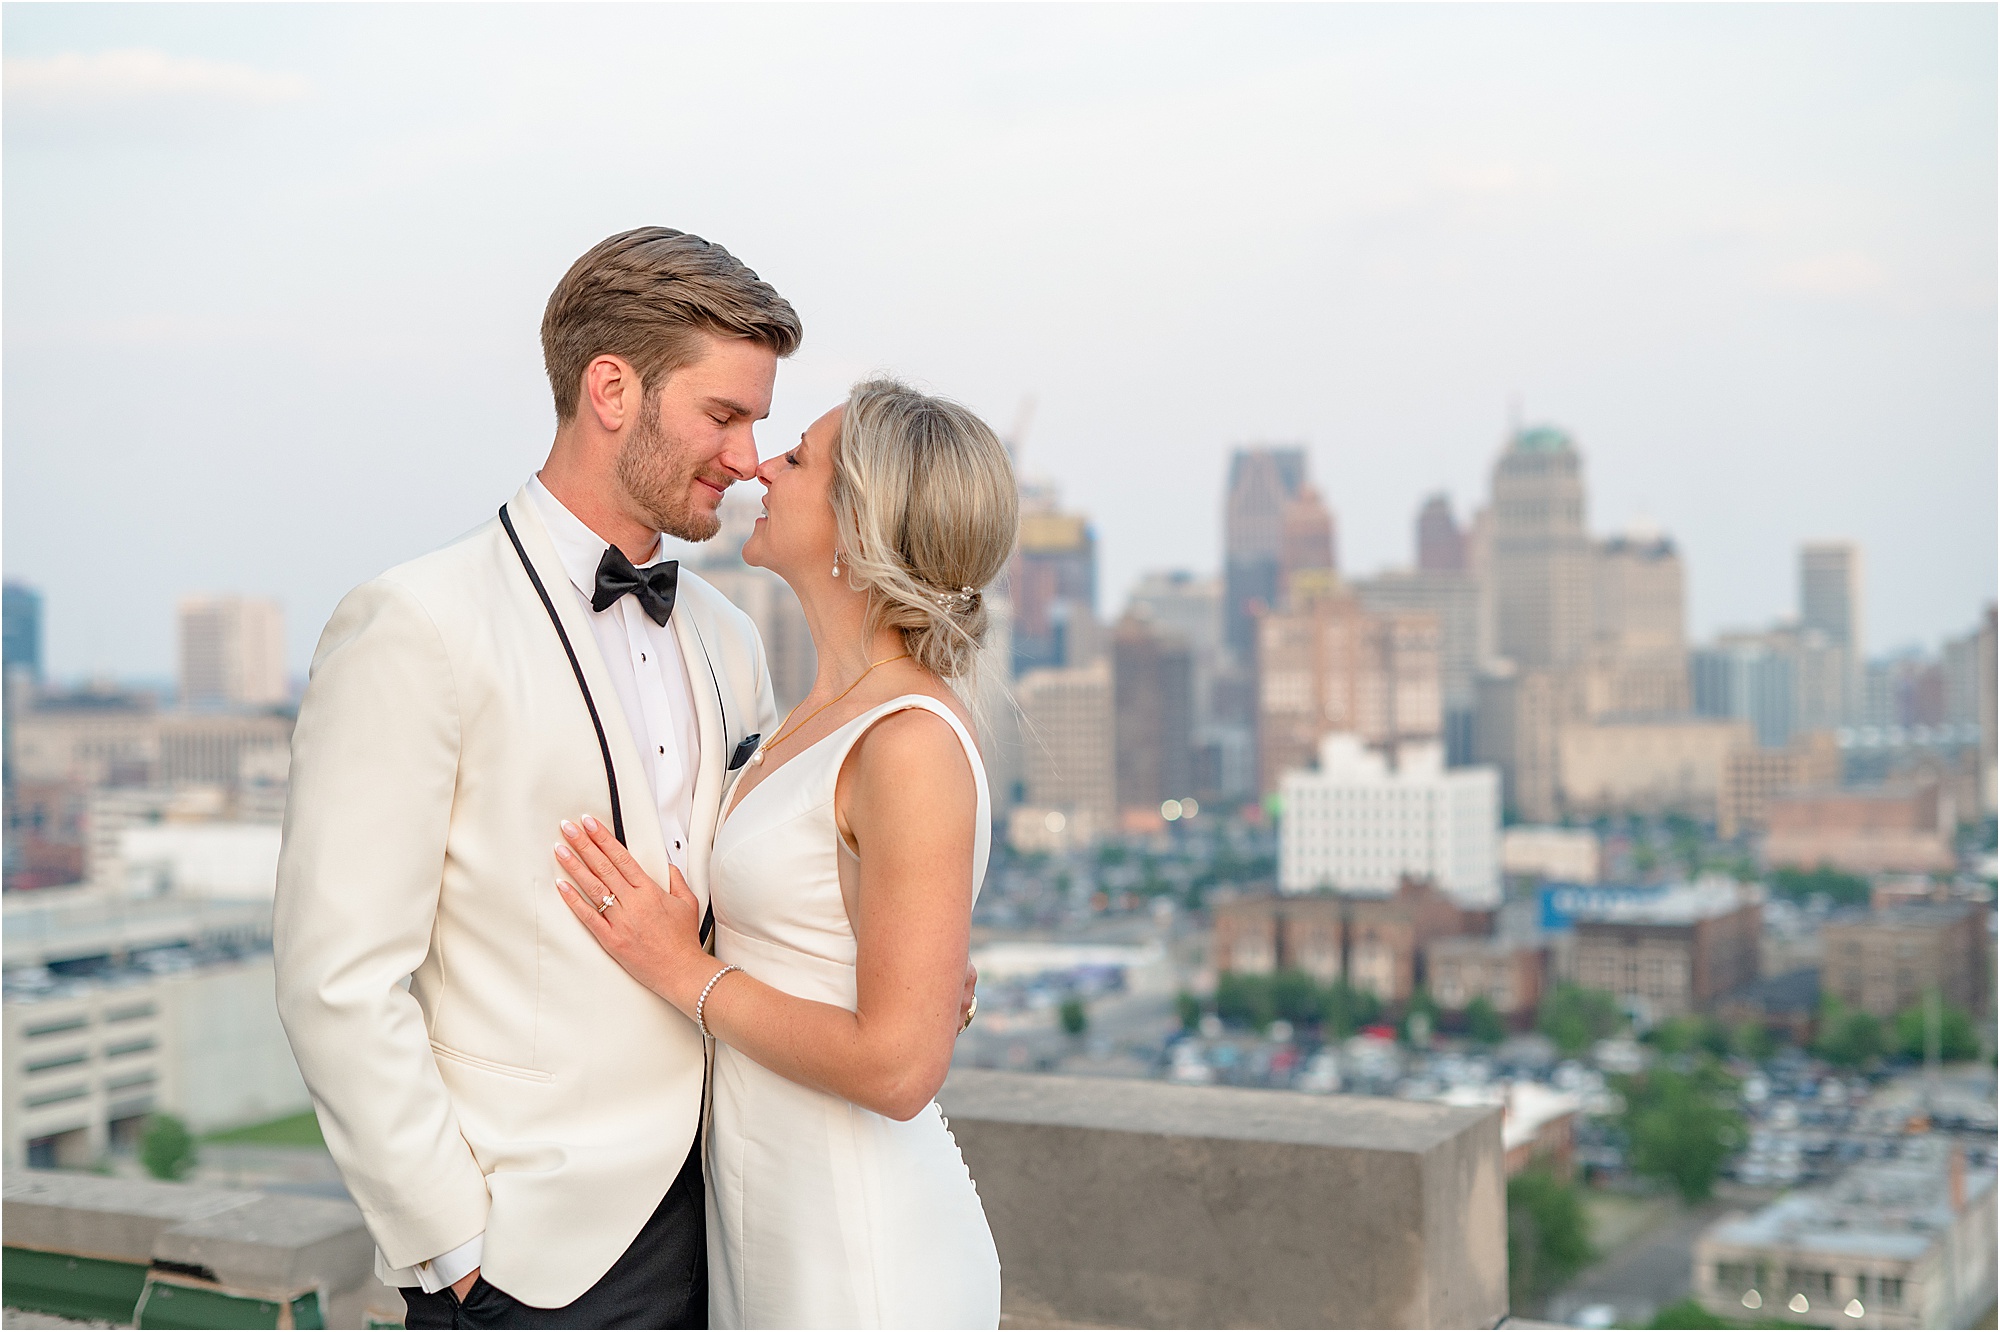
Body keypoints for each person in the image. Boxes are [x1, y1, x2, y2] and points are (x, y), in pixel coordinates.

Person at [273, 227, 804, 1328]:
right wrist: (451, 1245)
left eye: (757, 421)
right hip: (532, 1261)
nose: (751, 455)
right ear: (612, 389)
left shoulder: (725, 633)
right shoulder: (416, 624)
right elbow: (338, 977)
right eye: (724, 414)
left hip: (741, 1222)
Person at [551, 378, 1015, 1328]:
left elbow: (897, 1069)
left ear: (857, 525)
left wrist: (686, 970)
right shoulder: (813, 711)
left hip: (859, 1245)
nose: (760, 463)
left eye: (796, 458)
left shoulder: (910, 741)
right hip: (767, 1218)